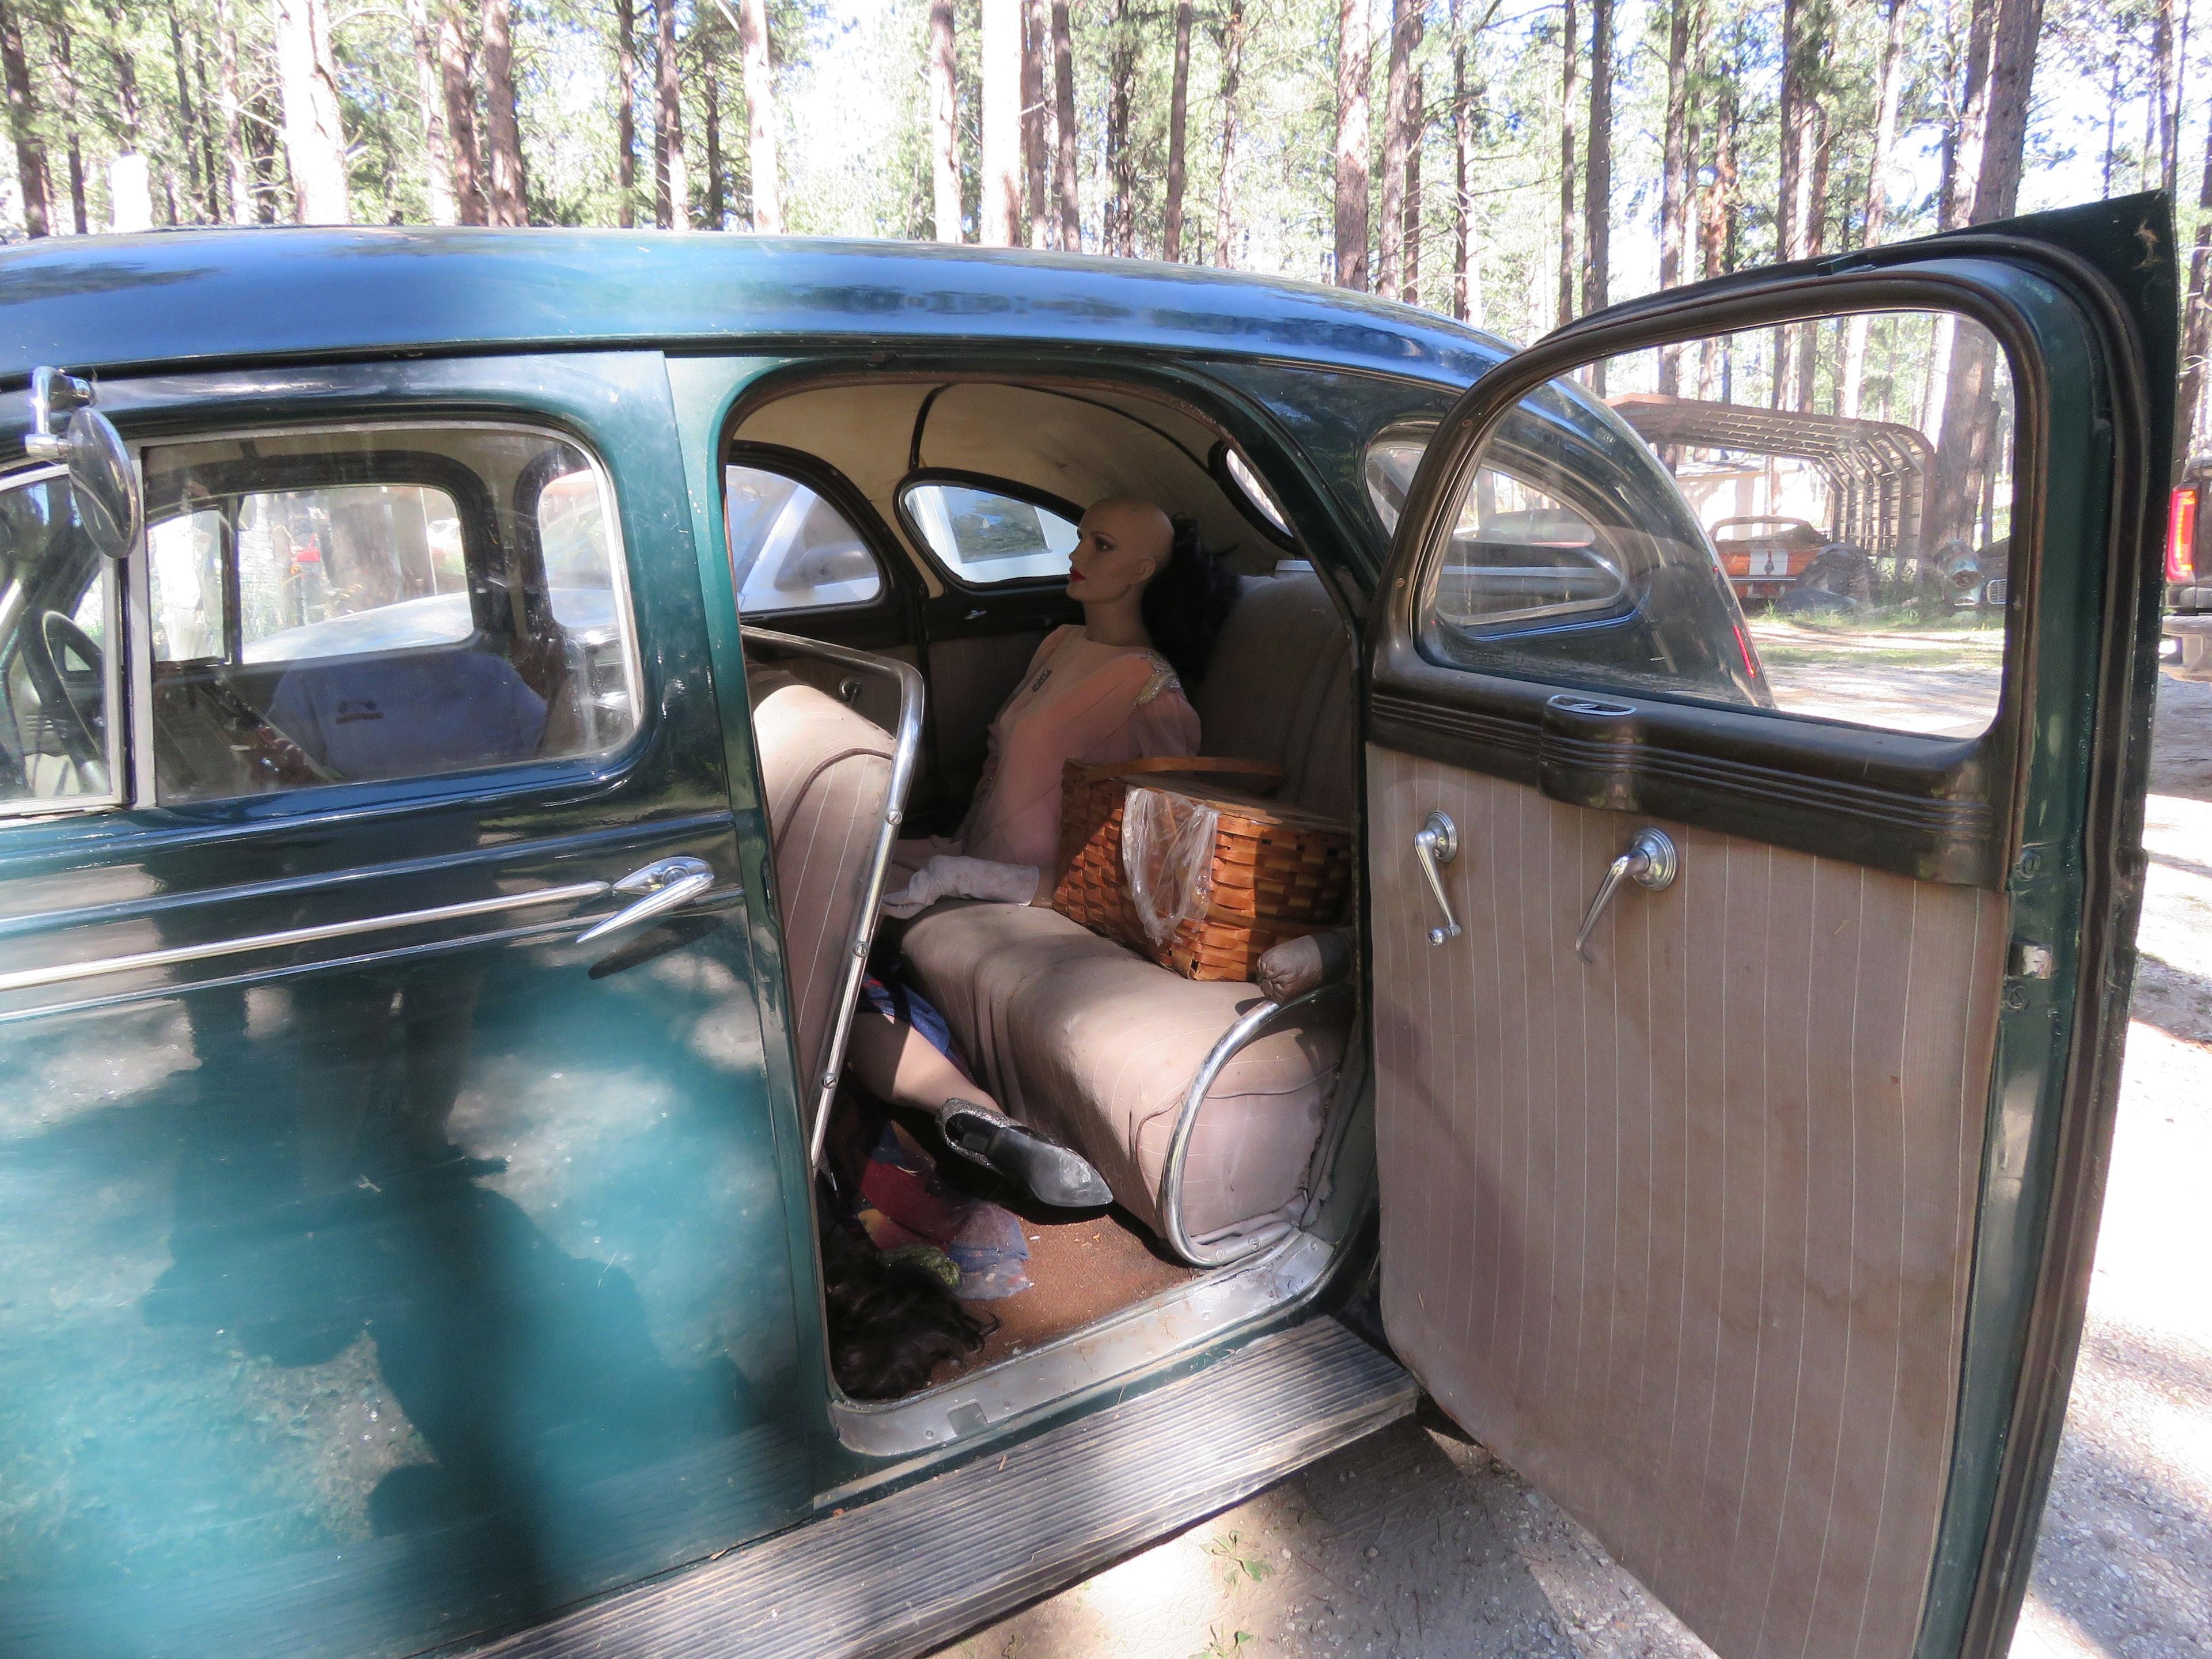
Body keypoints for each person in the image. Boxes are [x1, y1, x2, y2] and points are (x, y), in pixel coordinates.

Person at [845, 497, 1238, 1207]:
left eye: (1103, 546)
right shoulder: (1059, 643)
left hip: (1040, 882)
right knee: (821, 880)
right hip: (971, 846)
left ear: (1144, 571)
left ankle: (964, 1109)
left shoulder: (1151, 687)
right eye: (1081, 538)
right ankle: (951, 1102)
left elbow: (1164, 850)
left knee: (843, 911)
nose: (1077, 556)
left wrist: (965, 873)